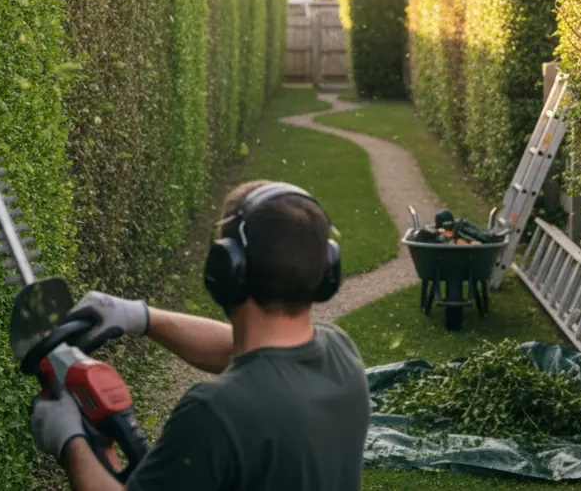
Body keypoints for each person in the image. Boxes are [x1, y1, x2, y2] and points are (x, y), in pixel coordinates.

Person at [30, 180, 371, 490]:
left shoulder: (215, 412)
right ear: (326, 267)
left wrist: (70, 442)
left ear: (226, 270)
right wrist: (140, 316)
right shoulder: (340, 354)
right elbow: (237, 349)